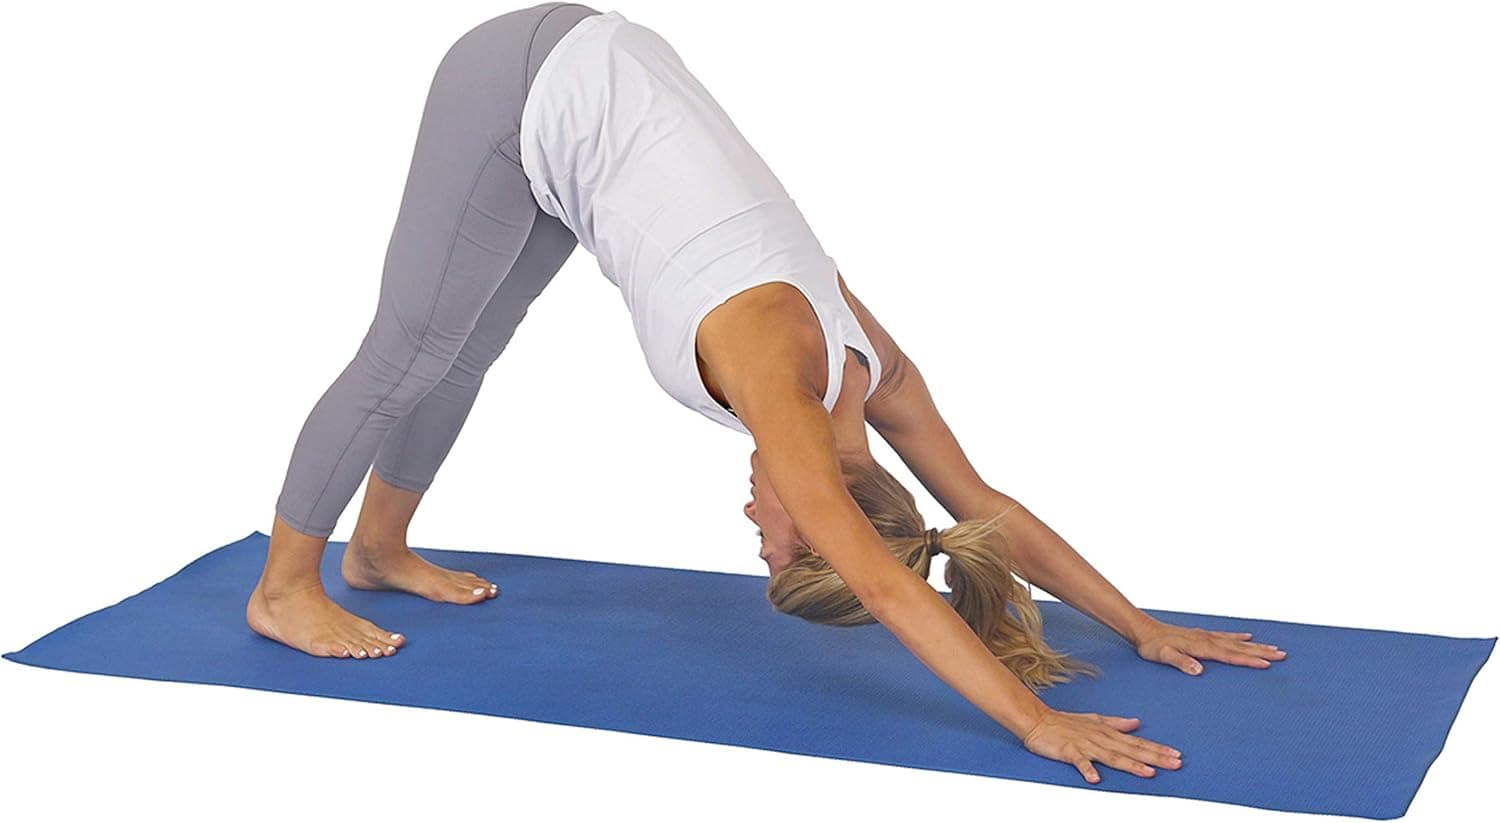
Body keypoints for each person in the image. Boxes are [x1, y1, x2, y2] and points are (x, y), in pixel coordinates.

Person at [247, 3, 1287, 783]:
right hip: (526, 77)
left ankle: (377, 552)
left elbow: (985, 509)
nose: (753, 525)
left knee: (465, 346)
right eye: (779, 542)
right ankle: (284, 587)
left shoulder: (875, 374)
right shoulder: (787, 403)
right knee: (409, 346)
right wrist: (1033, 721)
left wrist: (1139, 623)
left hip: (597, 107)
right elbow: (888, 586)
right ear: (832, 517)